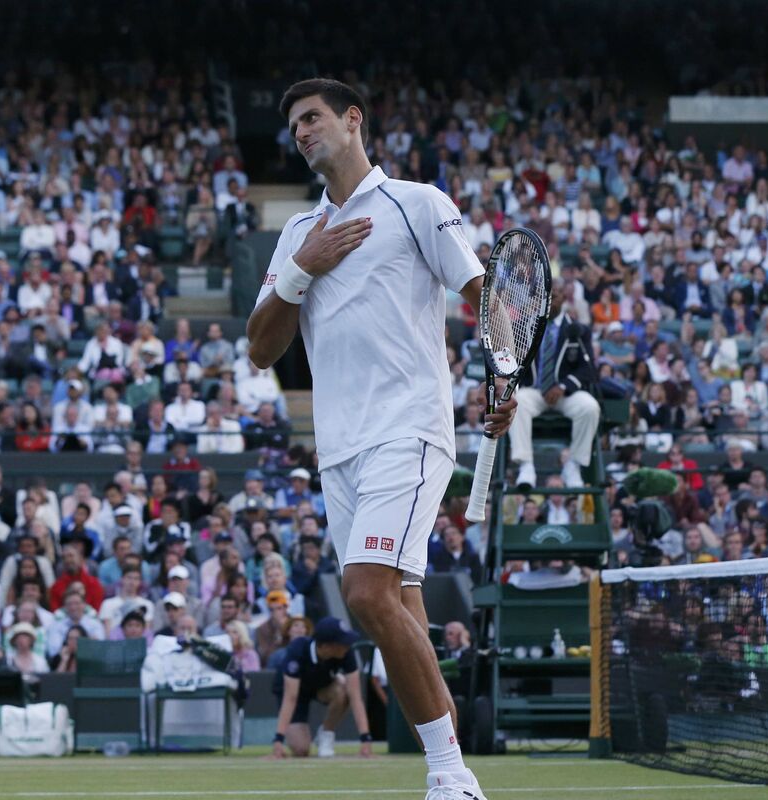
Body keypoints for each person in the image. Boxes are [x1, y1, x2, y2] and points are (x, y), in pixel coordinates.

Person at [248, 79, 513, 795]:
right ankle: (449, 771)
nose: (303, 132)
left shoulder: (417, 202)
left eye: (313, 117)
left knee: (364, 594)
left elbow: (486, 298)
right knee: (399, 611)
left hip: (409, 430)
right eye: (294, 126)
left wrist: (505, 379)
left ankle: (452, 776)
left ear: (353, 120)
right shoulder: (298, 235)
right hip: (338, 451)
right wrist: (304, 267)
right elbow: (261, 348)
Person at [508, 303, 601, 490]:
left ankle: (573, 465)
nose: (551, 299)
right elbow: (510, 361)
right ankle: (526, 466)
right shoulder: (523, 326)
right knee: (516, 402)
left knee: (590, 407)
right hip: (534, 390)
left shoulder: (577, 329)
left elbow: (588, 369)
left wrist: (564, 386)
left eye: (555, 294)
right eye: (547, 294)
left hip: (565, 393)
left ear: (563, 299)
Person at [271, 617, 373, 760]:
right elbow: (290, 698)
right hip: (294, 692)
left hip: (322, 687)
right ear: (326, 646)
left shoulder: (346, 653)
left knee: (344, 690)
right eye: (343, 642)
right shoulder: (297, 650)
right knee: (301, 750)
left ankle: (326, 733)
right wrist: (278, 740)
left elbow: (356, 697)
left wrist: (365, 739)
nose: (348, 645)